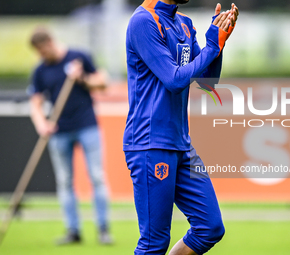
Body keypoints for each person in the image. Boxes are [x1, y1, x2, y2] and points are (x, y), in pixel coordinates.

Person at [123, 0, 239, 254]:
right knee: (154, 242)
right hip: (150, 143)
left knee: (210, 227)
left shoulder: (184, 22)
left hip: (181, 145)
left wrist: (218, 45)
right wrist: (212, 46)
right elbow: (174, 80)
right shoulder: (143, 21)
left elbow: (207, 80)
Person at [28, 27, 113, 245]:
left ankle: (103, 229)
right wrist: (42, 125)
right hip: (58, 131)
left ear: (49, 42)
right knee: (65, 182)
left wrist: (82, 77)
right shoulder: (40, 71)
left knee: (97, 177)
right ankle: (73, 231)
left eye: (41, 50)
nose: (41, 55)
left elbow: (103, 83)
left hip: (87, 126)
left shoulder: (79, 57)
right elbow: (35, 103)